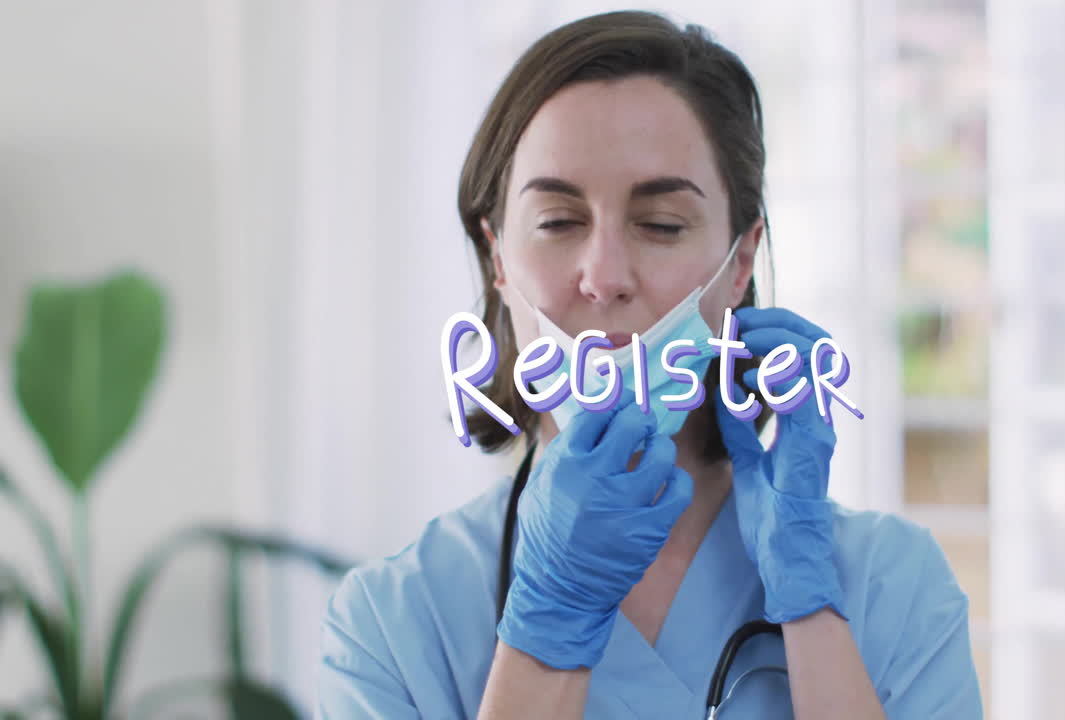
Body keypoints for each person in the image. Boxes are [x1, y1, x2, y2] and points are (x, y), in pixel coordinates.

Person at [317, 10, 982, 719]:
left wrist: (813, 614)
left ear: (741, 262)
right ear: (497, 257)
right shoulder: (392, 627)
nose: (604, 277)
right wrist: (550, 621)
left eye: (661, 225)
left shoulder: (894, 588)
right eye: (558, 222)